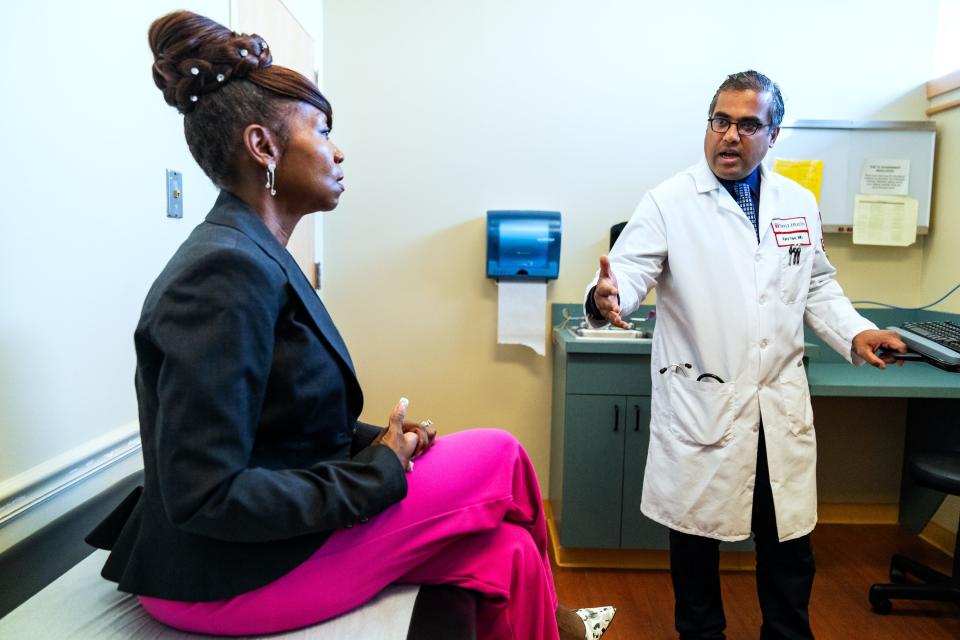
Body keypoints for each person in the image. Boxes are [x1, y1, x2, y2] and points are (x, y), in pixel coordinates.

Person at [85, 11, 615, 640]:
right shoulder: (222, 272)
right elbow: (203, 493)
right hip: (220, 577)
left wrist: (374, 442)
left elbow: (278, 428)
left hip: (246, 556)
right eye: (323, 130)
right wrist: (378, 472)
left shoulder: (254, 255)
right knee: (501, 454)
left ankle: (552, 623)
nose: (338, 150)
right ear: (264, 147)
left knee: (509, 555)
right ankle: (564, 623)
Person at [584, 70, 907, 640]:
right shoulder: (669, 201)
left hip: (775, 407)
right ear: (708, 125)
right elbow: (628, 271)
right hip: (704, 404)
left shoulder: (796, 203)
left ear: (773, 134)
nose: (730, 136)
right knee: (695, 550)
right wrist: (607, 295)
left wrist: (855, 332)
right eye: (720, 121)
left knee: (788, 550)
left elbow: (817, 285)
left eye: (748, 125)